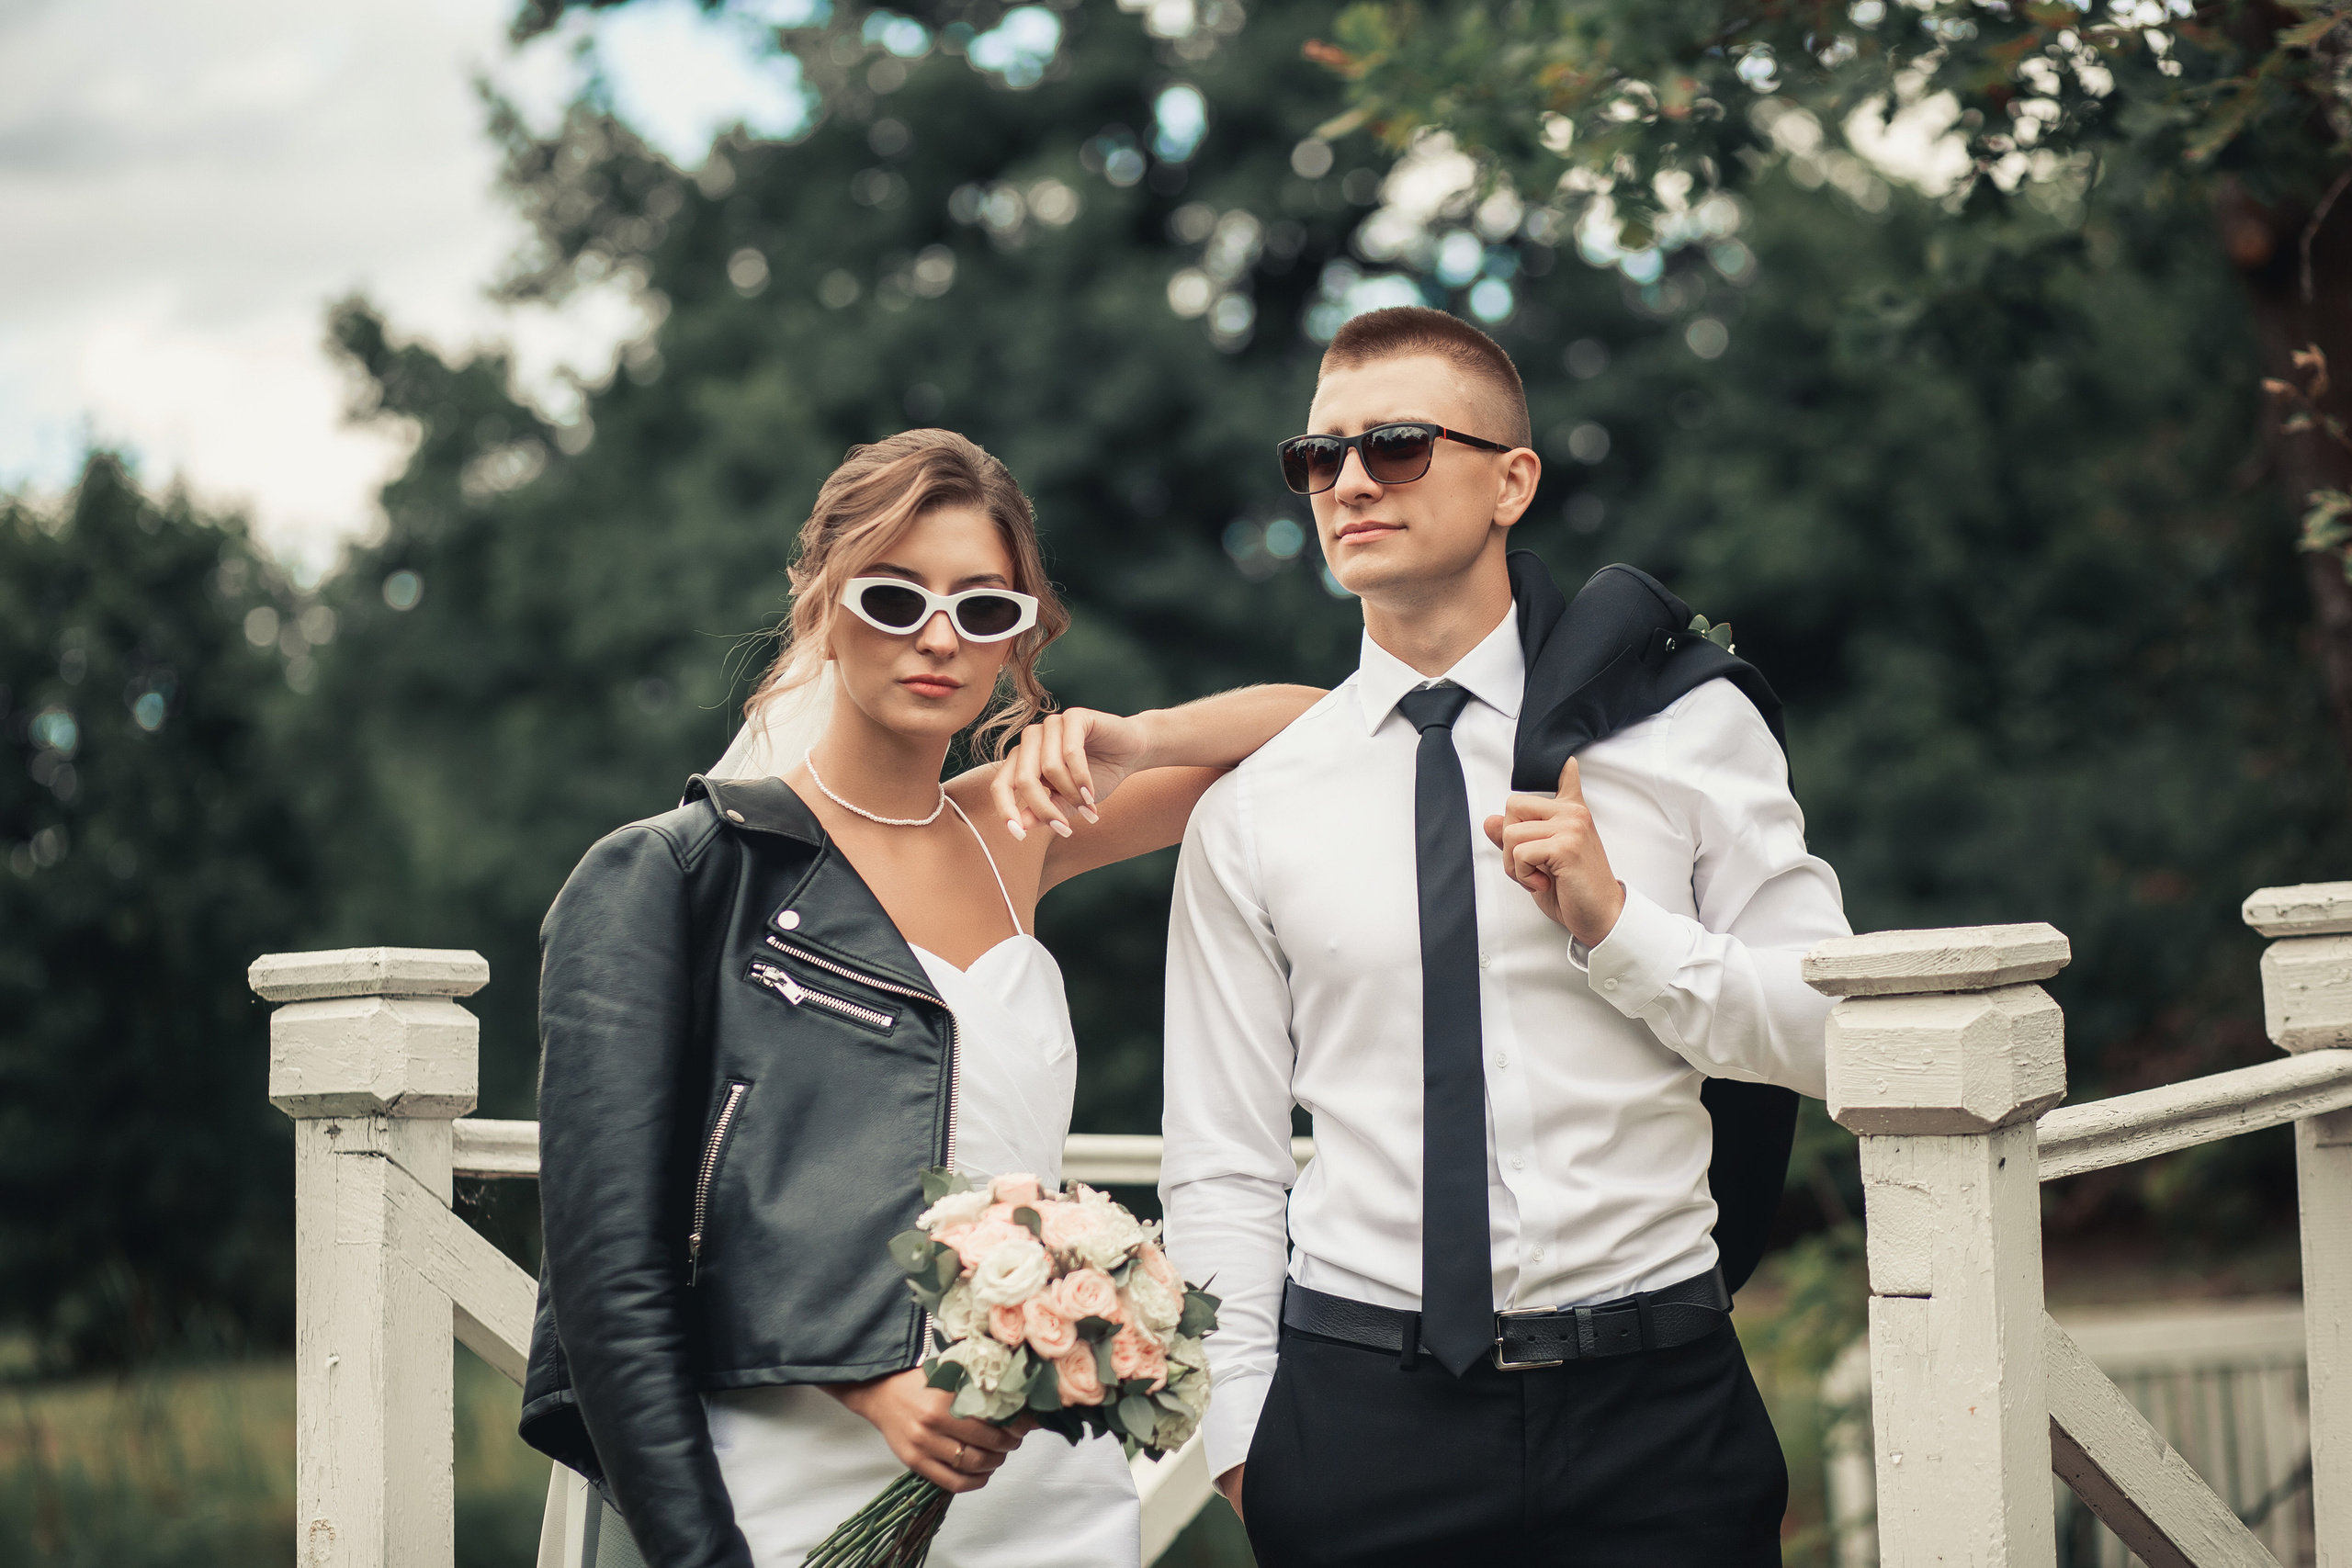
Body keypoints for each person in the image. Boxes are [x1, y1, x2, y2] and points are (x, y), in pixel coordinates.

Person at [517, 428, 1321, 1568]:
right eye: (894, 598)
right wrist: (849, 1392)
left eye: (984, 610)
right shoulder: (676, 875)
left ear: (1019, 637)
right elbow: (611, 1272)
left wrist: (1139, 739)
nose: (940, 638)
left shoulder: (1014, 834)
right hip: (784, 1477)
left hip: (1040, 1478)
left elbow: (1334, 735)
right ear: (817, 596)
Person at [1156, 307, 1852, 1565]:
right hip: (1361, 1429)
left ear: (1512, 481)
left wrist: (1621, 929)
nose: (1349, 482)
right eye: (1317, 456)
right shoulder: (1254, 807)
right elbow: (1222, 1158)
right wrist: (1244, 1440)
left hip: (1660, 1416)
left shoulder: (1683, 728)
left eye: (1398, 445)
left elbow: (1832, 1032)